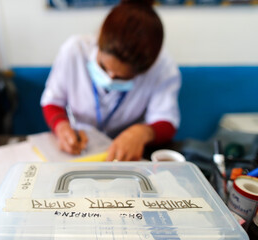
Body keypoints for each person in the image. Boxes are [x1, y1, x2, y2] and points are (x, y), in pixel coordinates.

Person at [41, 0, 181, 161]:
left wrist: (142, 133)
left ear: (145, 70)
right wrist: (61, 127)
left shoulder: (163, 67)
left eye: (122, 77)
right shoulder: (74, 50)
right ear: (98, 41)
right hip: (82, 144)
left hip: (129, 153)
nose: (110, 77)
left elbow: (166, 120)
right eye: (103, 66)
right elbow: (52, 101)